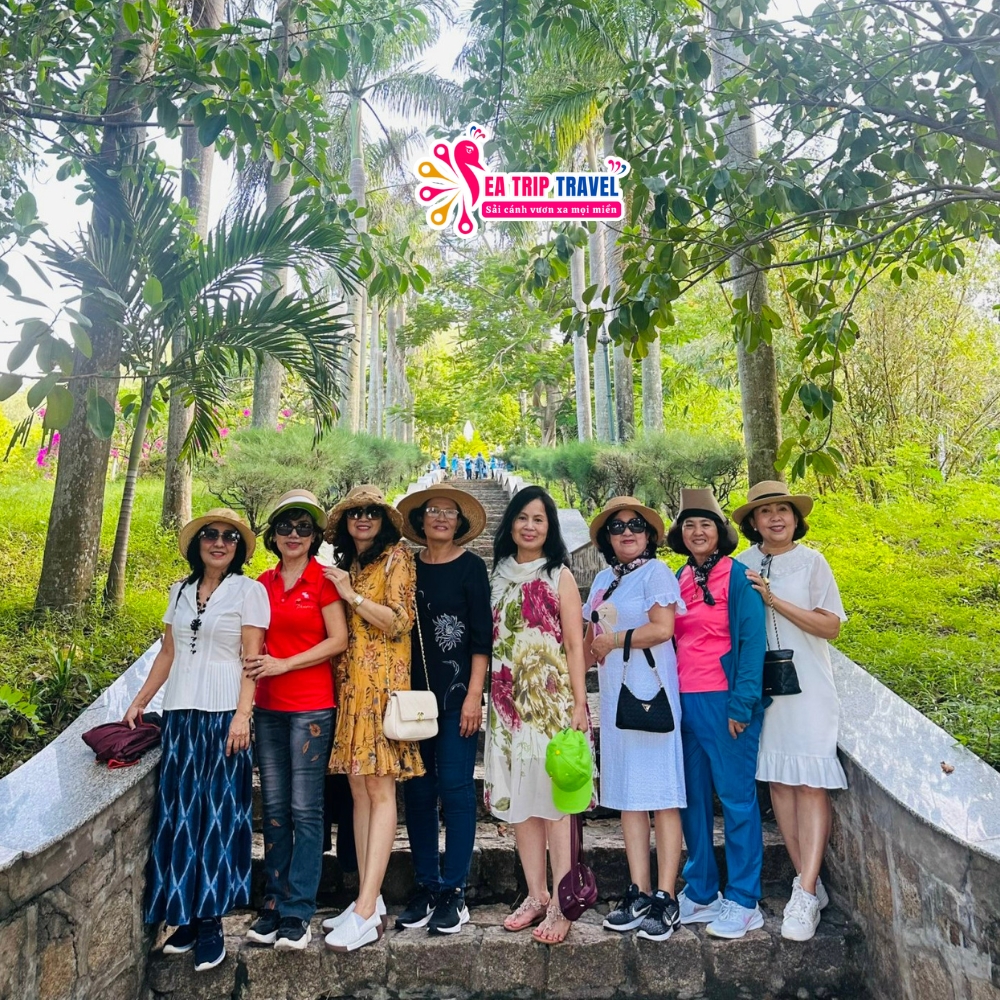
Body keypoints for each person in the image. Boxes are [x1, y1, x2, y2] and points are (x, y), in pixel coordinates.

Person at [125, 509, 268, 972]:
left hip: (225, 716)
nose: (219, 542)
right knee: (180, 815)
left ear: (238, 548)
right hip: (181, 716)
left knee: (219, 818)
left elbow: (252, 659)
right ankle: (183, 916)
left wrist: (243, 715)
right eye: (210, 535)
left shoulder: (249, 591)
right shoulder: (180, 591)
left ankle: (211, 923)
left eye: (229, 537)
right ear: (197, 543)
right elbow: (168, 653)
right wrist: (140, 701)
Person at [734, 481, 848, 942]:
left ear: (795, 518)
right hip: (765, 689)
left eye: (783, 510)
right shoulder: (741, 564)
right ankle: (808, 884)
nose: (776, 518)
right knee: (779, 780)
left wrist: (774, 600)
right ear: (753, 522)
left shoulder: (813, 562)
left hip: (810, 687)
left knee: (810, 782)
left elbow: (830, 626)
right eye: (766, 512)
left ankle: (805, 889)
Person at [484, 485, 593, 945]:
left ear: (550, 528)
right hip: (506, 706)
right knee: (520, 802)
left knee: (554, 804)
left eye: (539, 519)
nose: (529, 526)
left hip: (549, 705)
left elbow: (574, 644)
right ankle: (535, 893)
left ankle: (563, 904)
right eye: (523, 517)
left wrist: (580, 702)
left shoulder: (558, 575)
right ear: (510, 523)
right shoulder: (496, 575)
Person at [242, 490, 349, 951]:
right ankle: (273, 902)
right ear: (273, 534)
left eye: (304, 527)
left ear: (314, 536)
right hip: (268, 708)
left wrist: (285, 663)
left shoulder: (323, 580)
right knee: (275, 808)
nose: (294, 534)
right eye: (286, 526)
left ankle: (298, 910)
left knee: (306, 809)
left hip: (311, 708)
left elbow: (338, 640)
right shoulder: (261, 584)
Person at [320, 485, 424, 951]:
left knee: (380, 792)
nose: (363, 518)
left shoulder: (397, 558)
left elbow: (401, 620)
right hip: (351, 691)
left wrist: (351, 596)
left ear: (383, 521)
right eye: (355, 513)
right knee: (359, 792)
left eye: (371, 513)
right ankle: (370, 897)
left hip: (382, 690)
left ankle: (365, 911)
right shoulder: (355, 565)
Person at [666, 488, 766, 940]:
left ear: (719, 531)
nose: (697, 531)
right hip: (683, 702)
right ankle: (702, 889)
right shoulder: (679, 578)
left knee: (737, 799)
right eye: (689, 524)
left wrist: (742, 704)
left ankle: (744, 899)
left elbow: (752, 643)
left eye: (705, 523)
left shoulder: (739, 577)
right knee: (692, 799)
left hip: (726, 702)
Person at [584, 497, 686, 941]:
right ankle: (639, 890)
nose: (627, 532)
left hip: (651, 697)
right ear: (606, 538)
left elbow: (663, 629)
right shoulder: (603, 580)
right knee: (628, 796)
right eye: (617, 527)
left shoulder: (656, 573)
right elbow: (590, 641)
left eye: (636, 525)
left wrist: (616, 640)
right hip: (615, 701)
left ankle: (666, 896)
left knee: (663, 795)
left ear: (649, 534)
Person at [393, 485, 492, 934]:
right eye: (432, 510)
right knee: (417, 792)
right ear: (420, 520)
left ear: (460, 523)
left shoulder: (471, 568)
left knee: (455, 789)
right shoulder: (406, 566)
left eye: (449, 512)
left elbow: (481, 638)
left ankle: (455, 890)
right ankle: (427, 885)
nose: (440, 517)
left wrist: (475, 695)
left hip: (456, 699)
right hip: (411, 699)